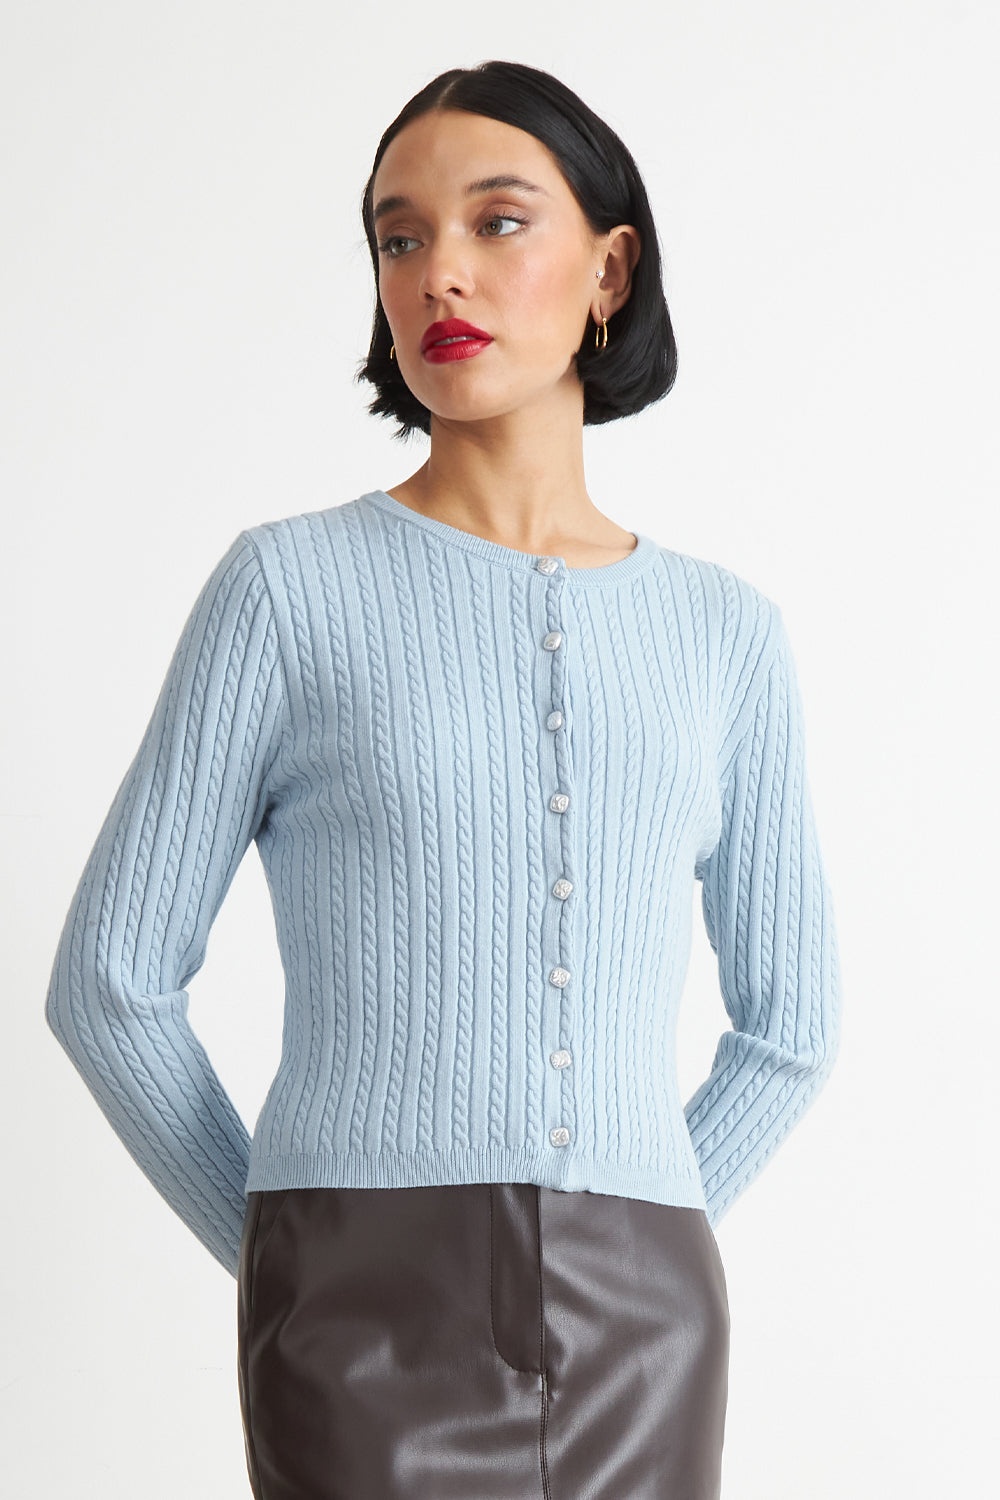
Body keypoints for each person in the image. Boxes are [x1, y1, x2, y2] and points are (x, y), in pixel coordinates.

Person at [45, 59, 842, 1500]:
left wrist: (652, 1221)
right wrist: (284, 1239)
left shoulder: (726, 634)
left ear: (610, 270)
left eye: (497, 221)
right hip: (353, 1315)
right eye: (399, 236)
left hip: (647, 1328)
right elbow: (109, 981)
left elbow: (793, 1026)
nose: (438, 274)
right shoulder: (287, 591)